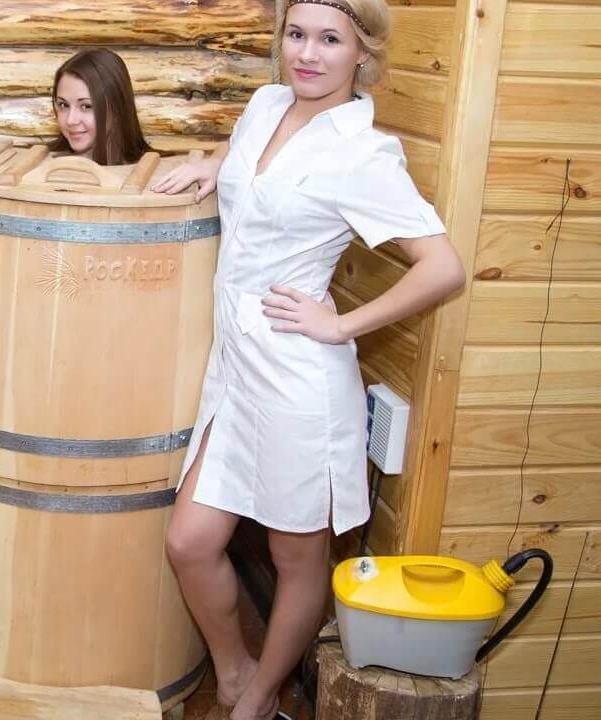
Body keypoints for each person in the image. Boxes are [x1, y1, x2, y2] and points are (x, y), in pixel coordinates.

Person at [149, 0, 466, 716]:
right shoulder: (266, 106)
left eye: (330, 39)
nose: (308, 54)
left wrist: (341, 324)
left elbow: (442, 266)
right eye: (297, 34)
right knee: (190, 541)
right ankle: (234, 672)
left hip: (298, 383)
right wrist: (212, 164)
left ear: (363, 53)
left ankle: (259, 696)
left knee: (297, 560)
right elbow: (252, 165)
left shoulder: (364, 154)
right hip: (235, 371)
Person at [48, 49, 152, 165]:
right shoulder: (42, 167)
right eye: (63, 105)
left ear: (117, 108)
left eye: (86, 106)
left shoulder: (158, 170)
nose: (70, 120)